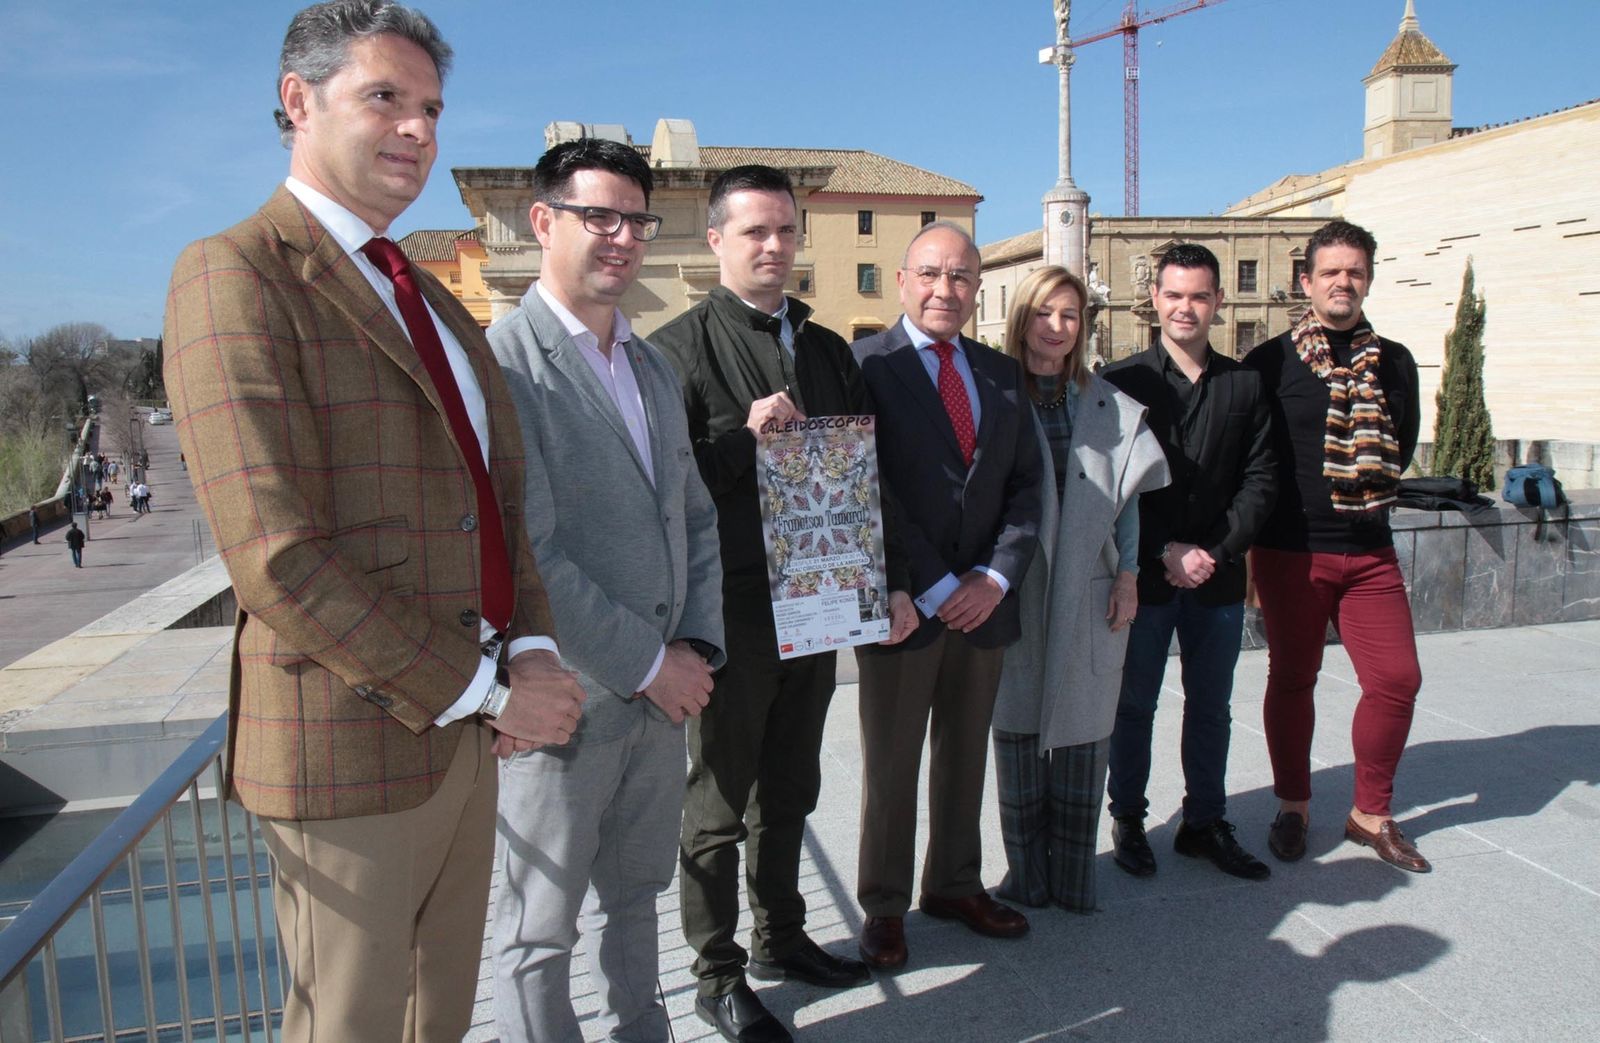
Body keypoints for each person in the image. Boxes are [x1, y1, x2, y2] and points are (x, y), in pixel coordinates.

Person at [162, 4, 586, 1040]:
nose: (418, 131)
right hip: (347, 752)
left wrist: (528, 649)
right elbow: (276, 556)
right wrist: (488, 687)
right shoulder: (235, 272)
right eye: (384, 98)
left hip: (467, 743)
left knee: (435, 1018)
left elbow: (497, 505)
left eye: (431, 107)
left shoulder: (434, 302)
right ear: (297, 101)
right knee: (350, 1024)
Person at [653, 165, 915, 1043]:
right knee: (719, 800)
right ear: (717, 240)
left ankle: (782, 935)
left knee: (792, 785)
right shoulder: (677, 348)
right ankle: (715, 971)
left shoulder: (830, 347)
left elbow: (862, 475)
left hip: (821, 599)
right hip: (730, 610)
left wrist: (876, 583)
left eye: (786, 231)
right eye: (755, 231)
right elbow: (663, 483)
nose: (774, 246)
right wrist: (742, 441)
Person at [486, 137, 725, 1043]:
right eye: (599, 217)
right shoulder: (504, 365)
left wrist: (695, 649)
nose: (622, 237)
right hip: (565, 707)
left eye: (636, 219)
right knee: (538, 931)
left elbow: (695, 517)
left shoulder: (651, 365)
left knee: (637, 900)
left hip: (661, 703)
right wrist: (645, 662)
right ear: (544, 221)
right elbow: (532, 550)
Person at [850, 222, 1044, 969]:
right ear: (902, 280)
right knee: (891, 764)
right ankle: (884, 904)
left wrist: (995, 576)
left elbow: (1028, 485)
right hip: (907, 605)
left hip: (984, 606)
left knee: (965, 756)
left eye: (961, 276)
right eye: (930, 273)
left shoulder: (1000, 373)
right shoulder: (864, 366)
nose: (946, 289)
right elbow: (868, 484)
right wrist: (932, 582)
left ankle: (955, 883)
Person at [1243, 220, 1428, 873]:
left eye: (1355, 270)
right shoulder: (1269, 363)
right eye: (1330, 271)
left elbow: (1400, 444)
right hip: (1291, 550)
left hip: (1370, 547)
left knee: (1398, 679)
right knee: (1294, 677)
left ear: (1369, 278)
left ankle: (1369, 811)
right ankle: (1293, 805)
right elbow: (1249, 456)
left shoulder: (1396, 361)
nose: (1343, 281)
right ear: (1307, 281)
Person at [990, 265, 1168, 911]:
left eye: (1070, 315)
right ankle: (1026, 875)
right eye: (1045, 313)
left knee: (1084, 726)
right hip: (1015, 584)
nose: (1057, 327)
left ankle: (1070, 878)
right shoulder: (994, 393)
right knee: (1015, 724)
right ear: (1022, 318)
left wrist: (1129, 576)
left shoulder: (1104, 403)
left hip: (1091, 585)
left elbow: (1128, 503)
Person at [1101, 244, 1277, 881]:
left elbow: (1260, 481)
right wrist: (1163, 551)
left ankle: (1204, 820)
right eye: (1174, 295)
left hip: (1219, 577)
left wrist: (1216, 552)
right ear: (1155, 300)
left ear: (1218, 303)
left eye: (1199, 296)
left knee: (1212, 706)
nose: (1186, 307)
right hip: (1142, 577)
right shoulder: (1122, 383)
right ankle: (1128, 818)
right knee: (1134, 705)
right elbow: (1111, 488)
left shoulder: (1245, 384)